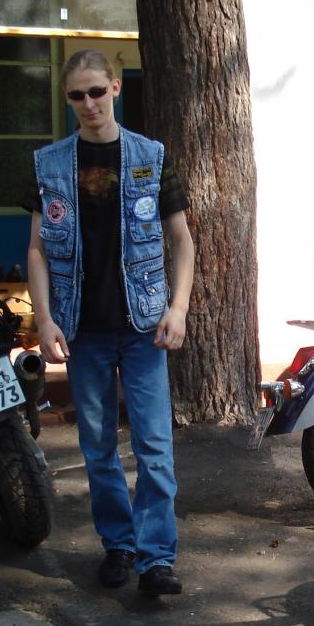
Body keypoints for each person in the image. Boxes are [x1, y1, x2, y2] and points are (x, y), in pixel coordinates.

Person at [26, 50, 195, 597]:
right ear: (68, 99)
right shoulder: (49, 164)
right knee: (97, 449)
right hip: (83, 329)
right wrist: (44, 319)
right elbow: (36, 249)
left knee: (154, 448)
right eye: (77, 95)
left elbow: (182, 240)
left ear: (115, 88)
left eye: (97, 91)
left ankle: (157, 559)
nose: (89, 103)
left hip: (144, 325)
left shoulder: (151, 155)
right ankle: (118, 546)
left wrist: (178, 307)